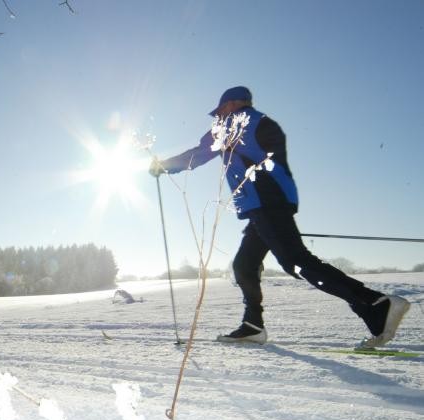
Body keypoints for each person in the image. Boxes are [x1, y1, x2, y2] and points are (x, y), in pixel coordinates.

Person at [149, 86, 409, 347]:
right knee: (245, 265)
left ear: (232, 105)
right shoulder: (260, 122)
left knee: (295, 260)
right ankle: (252, 326)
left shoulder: (237, 123)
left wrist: (164, 165)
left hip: (266, 202)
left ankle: (375, 304)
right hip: (266, 203)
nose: (218, 116)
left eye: (220, 110)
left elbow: (202, 152)